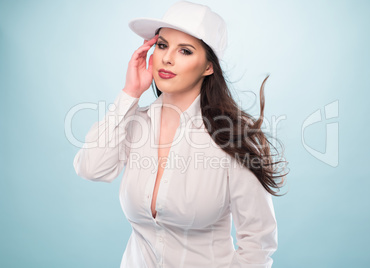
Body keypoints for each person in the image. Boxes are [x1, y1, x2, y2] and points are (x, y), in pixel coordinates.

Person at [73, 1, 287, 267]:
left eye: (185, 51)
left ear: (208, 67)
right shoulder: (136, 124)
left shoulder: (231, 137)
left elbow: (257, 245)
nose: (167, 58)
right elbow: (91, 169)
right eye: (162, 45)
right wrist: (130, 94)